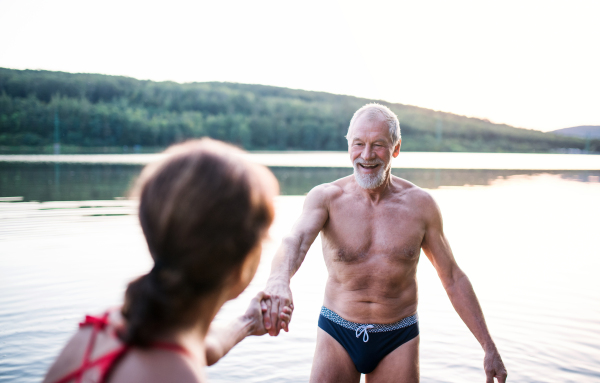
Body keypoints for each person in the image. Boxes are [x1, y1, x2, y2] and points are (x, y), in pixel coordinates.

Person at [262, 104, 508, 382]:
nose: (366, 156)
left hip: (397, 336)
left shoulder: (421, 206)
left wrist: (488, 347)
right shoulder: (326, 198)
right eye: (358, 144)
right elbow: (295, 240)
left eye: (378, 145)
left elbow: (452, 277)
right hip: (337, 330)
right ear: (348, 145)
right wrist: (278, 280)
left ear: (396, 148)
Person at [42, 139, 291, 383]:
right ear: (245, 263)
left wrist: (248, 322)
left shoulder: (101, 332)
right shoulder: (178, 375)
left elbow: (200, 344)